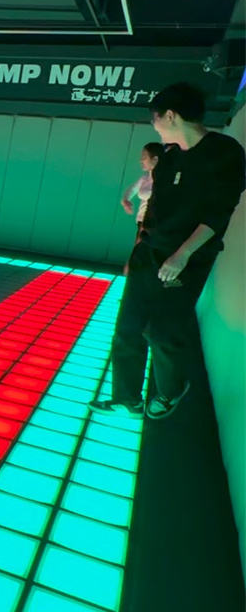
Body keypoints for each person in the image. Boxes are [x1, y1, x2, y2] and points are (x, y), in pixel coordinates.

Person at [90, 82, 245, 420]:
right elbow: (154, 212)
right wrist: (138, 250)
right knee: (128, 326)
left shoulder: (224, 152)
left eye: (156, 119)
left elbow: (218, 212)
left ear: (171, 116)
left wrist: (183, 254)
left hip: (186, 259)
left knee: (162, 330)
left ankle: (171, 389)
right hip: (149, 253)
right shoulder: (168, 158)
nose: (155, 127)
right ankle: (127, 397)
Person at [120, 142, 163, 275]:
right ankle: (130, 277)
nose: (141, 160)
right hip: (141, 221)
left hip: (153, 223)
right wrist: (125, 200)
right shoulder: (145, 178)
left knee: (140, 253)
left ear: (155, 159)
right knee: (138, 252)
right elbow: (131, 190)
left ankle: (131, 277)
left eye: (144, 157)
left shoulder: (164, 179)